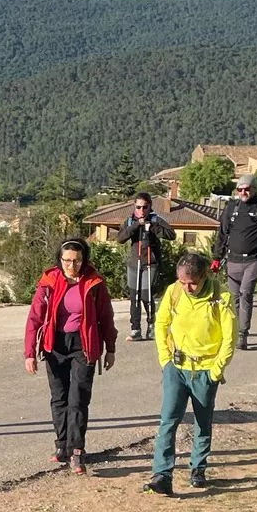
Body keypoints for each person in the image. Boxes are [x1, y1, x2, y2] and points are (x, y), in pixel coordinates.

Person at [24, 238, 118, 473]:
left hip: (83, 346)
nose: (71, 266)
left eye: (76, 261)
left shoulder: (94, 283)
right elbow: (34, 318)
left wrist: (110, 348)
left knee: (78, 399)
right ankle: (62, 445)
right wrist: (29, 353)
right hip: (54, 345)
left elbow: (106, 317)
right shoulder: (49, 282)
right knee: (59, 398)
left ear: (84, 260)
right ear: (60, 259)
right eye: (66, 260)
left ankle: (76, 450)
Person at [146, 251, 236, 496]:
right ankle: (162, 475)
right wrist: (165, 359)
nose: (187, 288)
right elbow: (161, 323)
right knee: (168, 420)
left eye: (192, 283)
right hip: (176, 367)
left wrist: (216, 370)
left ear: (205, 275)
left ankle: (198, 467)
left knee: (202, 421)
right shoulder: (174, 292)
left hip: (205, 370)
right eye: (182, 282)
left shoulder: (221, 297)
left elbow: (230, 338)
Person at [214, 174, 257, 349]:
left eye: (247, 189)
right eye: (240, 189)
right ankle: (233, 330)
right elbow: (222, 233)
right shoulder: (231, 208)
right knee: (233, 297)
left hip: (254, 259)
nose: (243, 192)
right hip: (233, 259)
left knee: (245, 293)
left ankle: (242, 334)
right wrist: (216, 257)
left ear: (254, 189)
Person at [115, 193, 169, 340]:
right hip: (134, 264)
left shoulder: (155, 219)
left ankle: (151, 326)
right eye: (138, 207)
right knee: (135, 297)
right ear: (135, 206)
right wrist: (136, 225)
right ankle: (135, 329)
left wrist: (153, 228)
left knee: (146, 296)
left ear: (150, 206)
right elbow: (120, 238)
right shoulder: (130, 221)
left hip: (150, 264)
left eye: (145, 207)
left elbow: (171, 235)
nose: (142, 210)